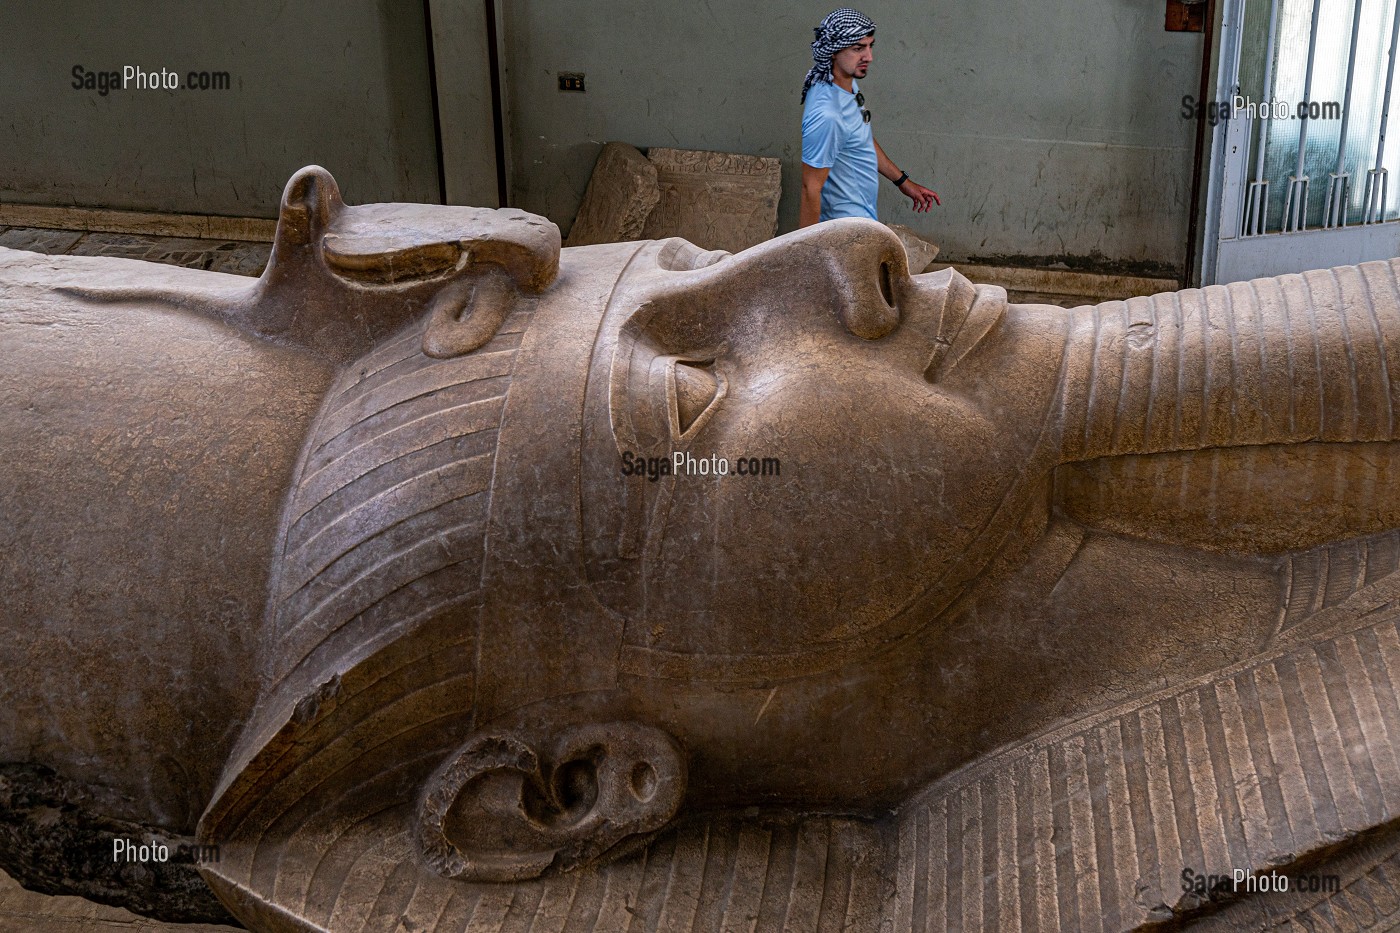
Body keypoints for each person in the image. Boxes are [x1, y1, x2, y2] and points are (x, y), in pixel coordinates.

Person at [799, 8, 939, 227]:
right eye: (858, 48)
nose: (869, 57)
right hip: (842, 231)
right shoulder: (828, 114)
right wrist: (806, 251)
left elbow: (859, 136)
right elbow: (810, 189)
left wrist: (902, 181)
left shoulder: (844, 85)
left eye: (870, 46)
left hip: (862, 222)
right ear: (834, 51)